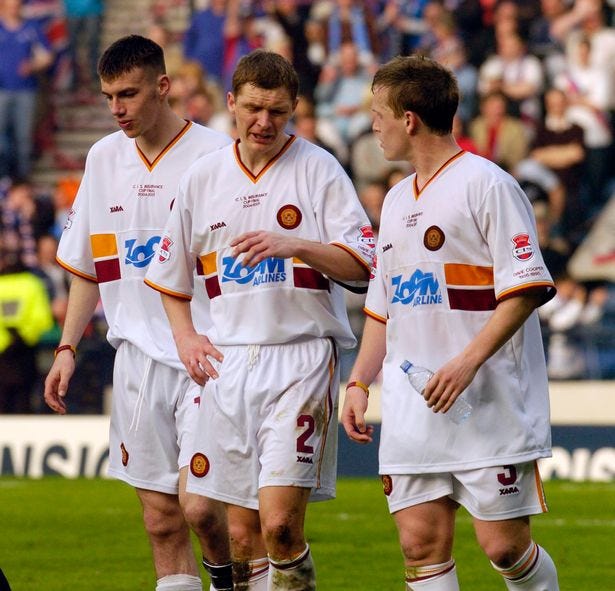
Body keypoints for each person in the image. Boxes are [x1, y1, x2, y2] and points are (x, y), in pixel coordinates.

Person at [145, 49, 374, 590]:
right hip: (229, 364)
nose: (263, 122)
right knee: (238, 532)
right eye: (252, 108)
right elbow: (169, 275)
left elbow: (366, 268)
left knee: (279, 528)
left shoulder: (319, 169)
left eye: (277, 111)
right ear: (231, 104)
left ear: (293, 108)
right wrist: (185, 336)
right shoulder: (203, 178)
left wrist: (296, 244)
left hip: (299, 359)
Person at [341, 55, 560, 590]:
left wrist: (464, 363)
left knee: (504, 548)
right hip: (414, 406)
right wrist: (359, 380)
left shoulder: (489, 185)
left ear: (409, 119)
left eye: (378, 113)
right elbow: (382, 306)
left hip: (486, 401)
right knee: (420, 546)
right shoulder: (393, 201)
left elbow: (526, 287)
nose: (373, 125)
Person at [43, 35, 234, 591]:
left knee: (200, 507)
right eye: (108, 97)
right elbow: (87, 265)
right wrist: (66, 347)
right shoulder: (103, 157)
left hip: (207, 354)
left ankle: (227, 580)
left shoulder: (217, 156)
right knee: (159, 516)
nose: (117, 108)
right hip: (136, 360)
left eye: (128, 94)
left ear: (164, 86)